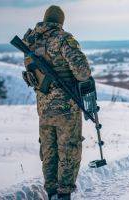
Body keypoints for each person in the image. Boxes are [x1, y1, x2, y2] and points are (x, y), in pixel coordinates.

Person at [22, 5, 91, 200]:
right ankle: (63, 193)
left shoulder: (31, 41)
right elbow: (83, 72)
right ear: (60, 21)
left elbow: (32, 73)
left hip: (43, 107)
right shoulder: (63, 39)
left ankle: (51, 191)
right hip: (66, 107)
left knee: (48, 149)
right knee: (69, 147)